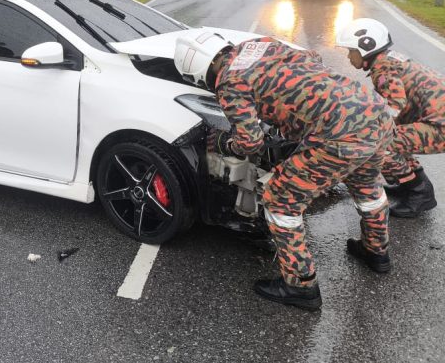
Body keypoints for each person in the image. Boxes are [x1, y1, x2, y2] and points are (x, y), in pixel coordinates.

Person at [174, 32, 394, 311]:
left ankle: (300, 285)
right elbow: (311, 57)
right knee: (367, 187)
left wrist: (223, 143)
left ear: (197, 73)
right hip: (374, 113)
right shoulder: (259, 44)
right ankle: (376, 252)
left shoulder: (228, 82)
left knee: (280, 200)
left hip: (339, 135)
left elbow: (250, 142)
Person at [336, 18, 442, 217]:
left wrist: (363, 128)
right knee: (392, 135)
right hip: (436, 120)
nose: (349, 57)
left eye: (351, 51)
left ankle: (418, 194)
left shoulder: (383, 69)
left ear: (366, 49)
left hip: (440, 126)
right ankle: (414, 186)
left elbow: (394, 105)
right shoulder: (388, 59)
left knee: (378, 142)